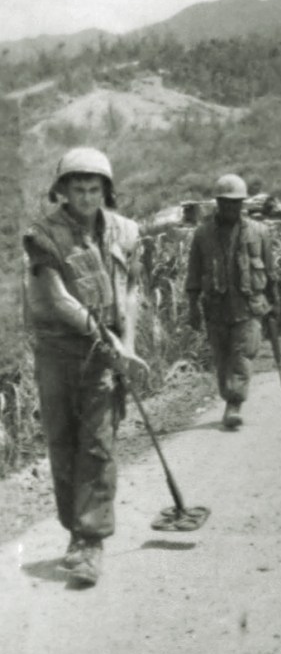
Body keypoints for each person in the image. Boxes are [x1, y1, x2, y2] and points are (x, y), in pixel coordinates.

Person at [23, 147, 148, 586]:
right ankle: (75, 531)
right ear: (62, 190)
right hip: (59, 352)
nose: (86, 196)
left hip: (106, 356)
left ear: (107, 191)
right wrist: (109, 339)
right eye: (77, 188)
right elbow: (58, 299)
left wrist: (126, 345)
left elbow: (131, 291)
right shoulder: (43, 235)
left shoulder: (126, 231)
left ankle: (89, 541)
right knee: (63, 442)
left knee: (97, 444)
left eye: (95, 188)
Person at [185, 174, 278, 430]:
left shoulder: (259, 232)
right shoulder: (203, 235)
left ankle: (234, 404)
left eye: (236, 203)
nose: (230, 208)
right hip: (216, 308)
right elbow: (194, 273)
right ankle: (229, 396)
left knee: (241, 356)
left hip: (249, 307)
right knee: (222, 358)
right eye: (225, 203)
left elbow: (270, 272)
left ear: (243, 204)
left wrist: (274, 303)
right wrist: (192, 307)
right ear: (217, 203)